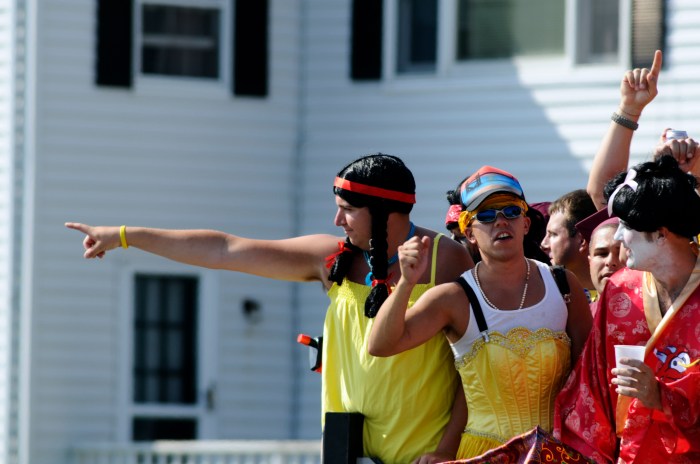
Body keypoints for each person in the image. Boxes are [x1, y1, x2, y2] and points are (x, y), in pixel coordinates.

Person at [65, 153, 473, 464]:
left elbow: (475, 369)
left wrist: (447, 450)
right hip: (347, 451)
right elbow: (225, 249)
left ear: (385, 211)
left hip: (425, 456)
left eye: (348, 209)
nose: (337, 220)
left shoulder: (447, 260)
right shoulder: (332, 259)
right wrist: (126, 236)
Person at [368, 165, 592, 461]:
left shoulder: (563, 284)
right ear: (468, 232)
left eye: (511, 211)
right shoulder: (454, 297)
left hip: (556, 452)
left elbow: (591, 376)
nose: (501, 221)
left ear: (526, 223)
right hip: (484, 455)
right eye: (486, 215)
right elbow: (381, 345)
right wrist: (407, 283)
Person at [554, 156, 700, 463]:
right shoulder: (620, 290)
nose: (618, 237)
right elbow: (591, 386)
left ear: (661, 233)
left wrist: (661, 397)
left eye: (626, 225)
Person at [540, 189, 597, 300]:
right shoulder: (541, 296)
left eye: (553, 234)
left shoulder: (622, 295)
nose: (543, 244)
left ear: (581, 241)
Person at [575, 209, 623, 316]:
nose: (610, 262)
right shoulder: (580, 319)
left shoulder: (653, 314)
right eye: (602, 253)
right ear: (590, 262)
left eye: (620, 253)